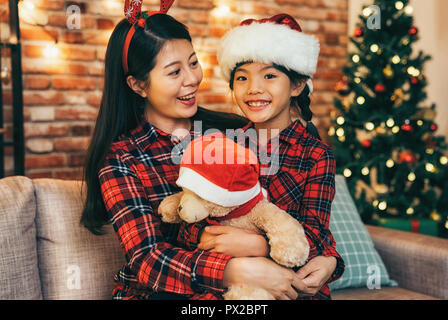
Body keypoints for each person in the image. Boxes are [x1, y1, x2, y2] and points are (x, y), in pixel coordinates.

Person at [80, 1, 309, 300]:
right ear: (138, 85)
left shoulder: (234, 133)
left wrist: (269, 248)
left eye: (193, 62)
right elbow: (148, 260)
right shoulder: (122, 159)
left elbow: (283, 211)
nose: (192, 79)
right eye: (174, 72)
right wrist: (238, 270)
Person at [198, 13, 345, 300]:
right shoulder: (223, 146)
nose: (254, 88)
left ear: (296, 85)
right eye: (242, 78)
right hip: (232, 281)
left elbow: (314, 237)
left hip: (293, 286)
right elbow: (199, 220)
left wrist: (257, 244)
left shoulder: (317, 155)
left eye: (269, 75)